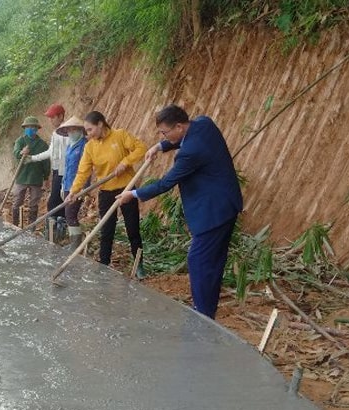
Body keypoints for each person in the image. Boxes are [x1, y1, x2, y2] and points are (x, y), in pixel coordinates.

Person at [116, 104, 242, 318]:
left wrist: (134, 194)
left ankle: (202, 314)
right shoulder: (203, 123)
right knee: (213, 260)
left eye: (165, 132)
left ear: (180, 126)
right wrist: (161, 145)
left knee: (198, 259)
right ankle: (207, 309)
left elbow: (165, 183)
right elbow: (182, 139)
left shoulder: (190, 153)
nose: (163, 135)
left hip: (213, 212)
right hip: (226, 203)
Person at [64, 111, 145, 275]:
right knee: (106, 229)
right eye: (87, 131)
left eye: (90, 129)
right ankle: (104, 263)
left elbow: (141, 148)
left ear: (100, 124)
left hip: (126, 189)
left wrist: (125, 162)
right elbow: (83, 172)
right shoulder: (90, 147)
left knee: (133, 229)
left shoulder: (120, 135)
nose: (88, 134)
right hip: (106, 192)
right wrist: (74, 192)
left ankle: (139, 265)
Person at [23, 104, 67, 235]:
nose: (50, 120)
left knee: (56, 202)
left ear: (61, 116)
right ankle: (56, 232)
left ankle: (57, 231)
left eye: (52, 117)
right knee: (56, 201)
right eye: (50, 117)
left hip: (66, 173)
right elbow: (51, 152)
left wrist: (33, 158)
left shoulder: (68, 132)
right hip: (57, 171)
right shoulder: (56, 133)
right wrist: (32, 158)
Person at [56, 116, 89, 251]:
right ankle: (75, 243)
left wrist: (84, 189)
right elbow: (67, 166)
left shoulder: (85, 146)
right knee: (69, 213)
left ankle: (76, 245)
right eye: (69, 130)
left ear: (80, 130)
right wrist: (63, 185)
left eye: (73, 130)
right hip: (68, 184)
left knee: (70, 214)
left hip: (78, 186)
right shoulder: (70, 146)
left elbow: (86, 169)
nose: (71, 132)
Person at [11, 116, 50, 226]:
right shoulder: (21, 141)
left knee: (34, 203)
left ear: (37, 128)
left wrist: (46, 177)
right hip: (22, 176)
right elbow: (15, 152)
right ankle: (15, 224)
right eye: (28, 127)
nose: (31, 129)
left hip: (36, 177)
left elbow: (46, 163)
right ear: (25, 128)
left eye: (33, 127)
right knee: (18, 201)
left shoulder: (42, 144)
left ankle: (31, 226)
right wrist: (21, 152)